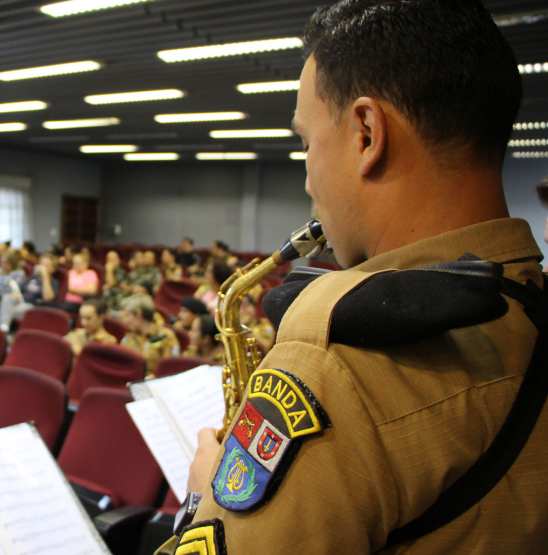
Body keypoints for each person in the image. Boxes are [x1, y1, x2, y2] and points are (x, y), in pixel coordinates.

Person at [177, 1, 548, 553]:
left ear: (367, 134)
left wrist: (199, 500)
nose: (308, 180)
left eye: (307, 143)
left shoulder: (333, 359)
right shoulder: (530, 303)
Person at [120, 293, 179, 378]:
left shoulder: (166, 336)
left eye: (128, 315)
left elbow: (171, 368)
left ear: (139, 314)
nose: (126, 321)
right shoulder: (129, 336)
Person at [0, 253, 59, 333]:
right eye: (42, 264)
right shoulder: (33, 277)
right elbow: (20, 289)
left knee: (6, 310)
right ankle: (3, 330)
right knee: (7, 297)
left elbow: (48, 298)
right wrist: (15, 292)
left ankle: (2, 330)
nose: (43, 267)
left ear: (53, 269)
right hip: (20, 300)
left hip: (33, 306)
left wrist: (45, 277)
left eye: (46, 265)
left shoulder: (53, 282)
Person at [0, 251, 26, 316]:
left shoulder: (19, 274)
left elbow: (11, 290)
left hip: (3, 300)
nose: (2, 264)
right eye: (1, 261)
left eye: (5, 262)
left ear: (12, 263)